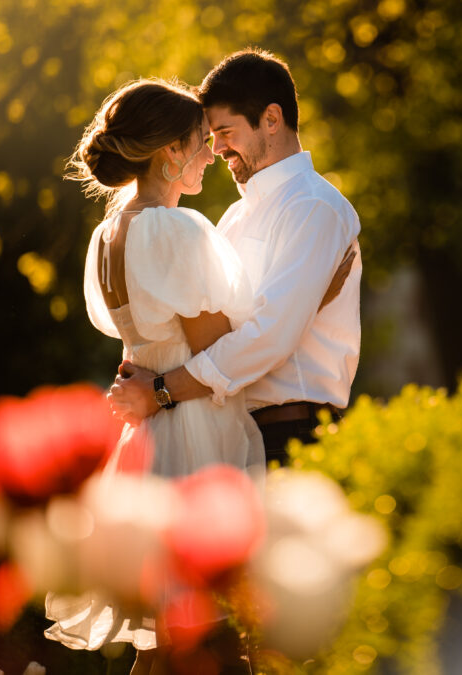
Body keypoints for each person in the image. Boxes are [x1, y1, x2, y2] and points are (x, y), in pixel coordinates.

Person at [44, 77, 348, 675]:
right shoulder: (177, 230)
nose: (212, 153)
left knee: (163, 638)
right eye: (202, 142)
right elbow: (216, 345)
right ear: (172, 152)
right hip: (196, 426)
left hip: (148, 433)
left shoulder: (110, 234)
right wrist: (307, 301)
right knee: (207, 630)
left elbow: (143, 342)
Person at [110, 49, 362, 467]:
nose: (217, 149)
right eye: (211, 137)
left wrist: (159, 391)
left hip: (290, 434)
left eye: (225, 132)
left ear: (271, 119)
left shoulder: (316, 208)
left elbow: (269, 337)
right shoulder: (232, 217)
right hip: (228, 434)